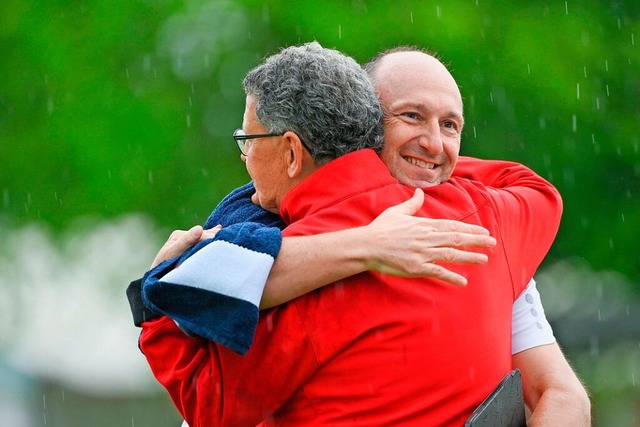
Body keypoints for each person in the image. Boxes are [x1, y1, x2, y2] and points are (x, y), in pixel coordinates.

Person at [138, 46, 591, 425]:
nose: (433, 143)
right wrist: (421, 172)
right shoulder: (484, 219)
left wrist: (154, 308)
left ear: (293, 152)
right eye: (413, 117)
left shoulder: (290, 279)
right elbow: (536, 189)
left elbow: (211, 406)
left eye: (249, 141)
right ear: (368, 128)